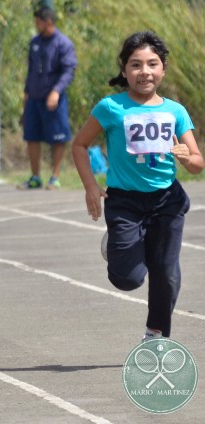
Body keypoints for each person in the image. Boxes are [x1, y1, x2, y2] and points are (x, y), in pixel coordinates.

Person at [71, 31, 203, 341]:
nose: (145, 72)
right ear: (124, 69)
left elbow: (198, 162)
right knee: (129, 279)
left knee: (166, 274)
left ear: (163, 68)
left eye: (152, 64)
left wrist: (187, 157)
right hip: (125, 202)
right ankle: (118, 246)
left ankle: (155, 334)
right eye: (136, 65)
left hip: (166, 202)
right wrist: (91, 186)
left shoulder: (176, 112)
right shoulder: (111, 108)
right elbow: (80, 145)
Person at [21, 6, 76, 190]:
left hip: (53, 99)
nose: (36, 25)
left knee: (58, 137)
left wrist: (56, 91)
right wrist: (26, 94)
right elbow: (30, 71)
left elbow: (69, 71)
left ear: (48, 22)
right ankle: (35, 177)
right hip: (34, 99)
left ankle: (55, 177)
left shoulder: (63, 43)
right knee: (31, 136)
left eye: (38, 22)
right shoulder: (35, 42)